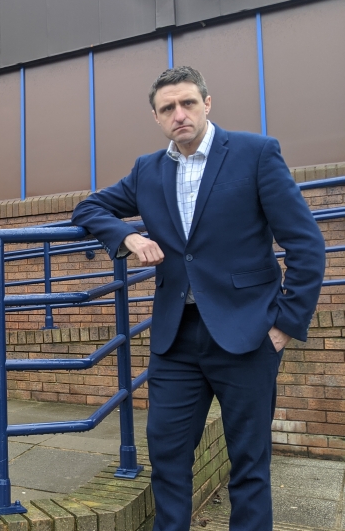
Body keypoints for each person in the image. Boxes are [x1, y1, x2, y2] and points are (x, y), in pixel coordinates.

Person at [71, 66, 326, 530]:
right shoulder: (148, 169)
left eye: (188, 103)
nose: (179, 114)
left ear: (207, 103)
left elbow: (307, 244)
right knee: (166, 460)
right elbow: (89, 207)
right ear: (156, 116)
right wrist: (126, 238)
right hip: (175, 340)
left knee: (249, 467)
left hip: (249, 335)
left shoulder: (255, 153)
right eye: (168, 107)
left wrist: (286, 324)